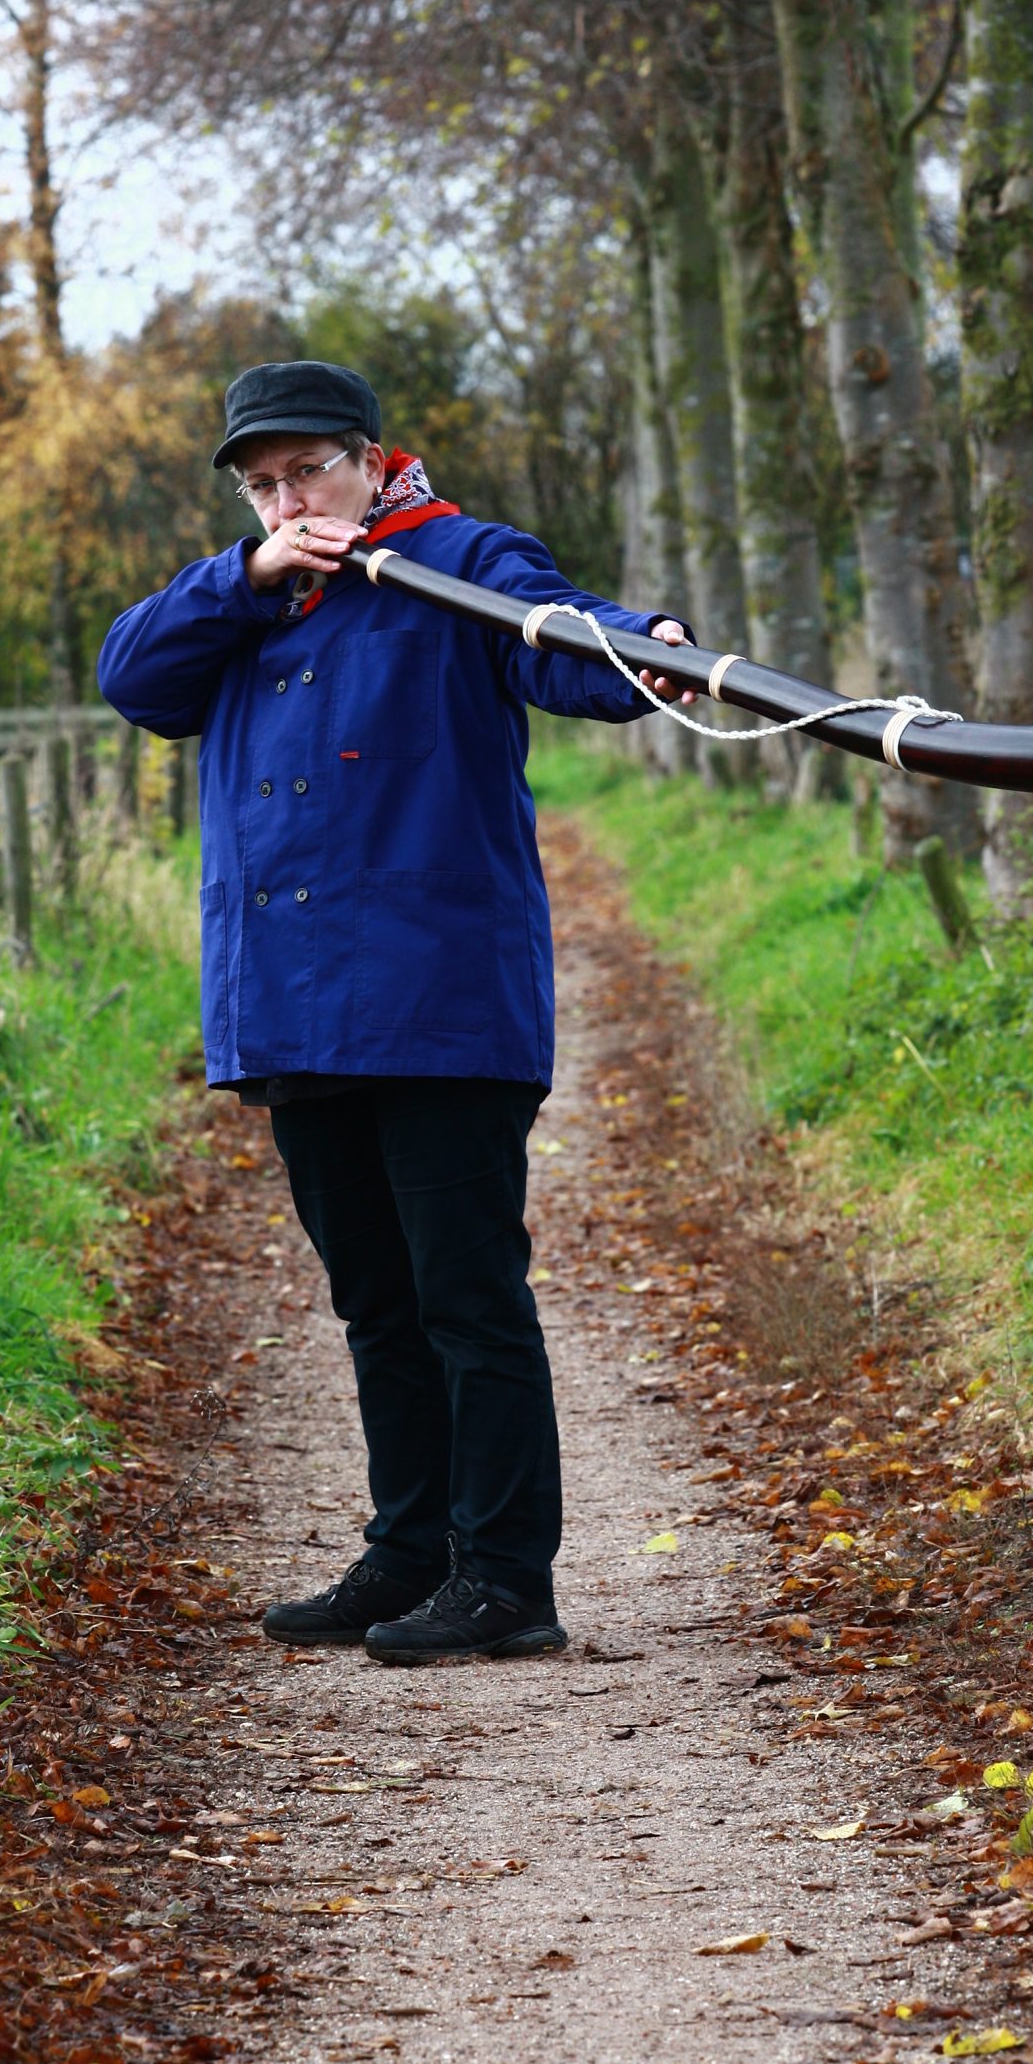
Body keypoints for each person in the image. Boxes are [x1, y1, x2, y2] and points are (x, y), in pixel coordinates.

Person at [97, 358, 697, 1664]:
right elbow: (133, 681)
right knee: (373, 1300)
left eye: (307, 469)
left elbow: (565, 639)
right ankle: (410, 1550)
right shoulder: (240, 602)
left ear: (372, 458)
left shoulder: (455, 559)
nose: (286, 498)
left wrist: (647, 652)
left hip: (441, 1007)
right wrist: (245, 578)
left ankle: (506, 1578)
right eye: (262, 484)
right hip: (294, 1017)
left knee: (465, 1297)